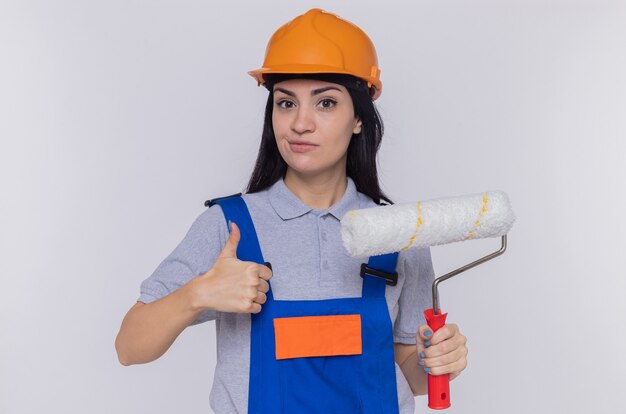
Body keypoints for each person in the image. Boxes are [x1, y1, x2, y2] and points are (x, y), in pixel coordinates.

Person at [115, 8, 468, 413]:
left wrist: (437, 361)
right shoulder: (230, 227)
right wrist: (197, 294)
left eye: (325, 103)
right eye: (286, 103)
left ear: (358, 117)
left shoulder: (400, 233)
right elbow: (129, 347)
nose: (300, 123)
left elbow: (404, 374)